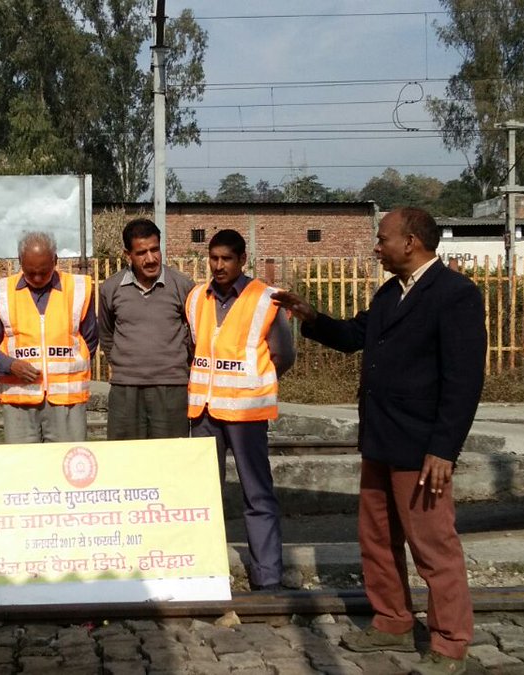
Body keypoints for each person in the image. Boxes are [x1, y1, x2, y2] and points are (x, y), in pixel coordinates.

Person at [272, 207, 486, 675]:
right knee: (377, 540)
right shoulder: (392, 293)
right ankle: (392, 620)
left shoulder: (455, 295)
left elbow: (464, 381)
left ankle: (450, 643)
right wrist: (311, 316)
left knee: (433, 547)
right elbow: (354, 336)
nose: (376, 246)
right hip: (381, 440)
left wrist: (443, 449)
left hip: (421, 447)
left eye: (383, 238)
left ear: (410, 242)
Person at [185, 228, 294, 592]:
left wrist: (252, 382)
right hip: (204, 412)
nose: (218, 266)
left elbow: (283, 355)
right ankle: (206, 573)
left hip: (247, 414)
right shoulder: (197, 298)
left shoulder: (265, 299)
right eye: (213, 259)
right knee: (202, 494)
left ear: (242, 260)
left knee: (257, 494)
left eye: (226, 259)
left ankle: (268, 577)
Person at [0, 231, 98, 443]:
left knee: (65, 468)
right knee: (24, 470)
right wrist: (10, 365)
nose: (37, 278)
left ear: (55, 261)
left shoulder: (78, 289)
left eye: (43, 272)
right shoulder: (2, 292)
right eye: (30, 272)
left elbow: (90, 340)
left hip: (67, 402)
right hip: (19, 401)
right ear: (20, 262)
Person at [98, 218, 194, 440]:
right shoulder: (111, 288)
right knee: (126, 459)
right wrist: (127, 366)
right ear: (127, 254)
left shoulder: (182, 286)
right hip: (125, 389)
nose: (151, 259)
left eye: (155, 250)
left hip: (171, 388)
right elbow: (106, 333)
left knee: (169, 459)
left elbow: (194, 334)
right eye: (142, 253)